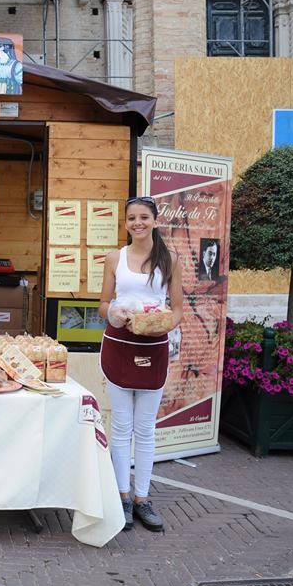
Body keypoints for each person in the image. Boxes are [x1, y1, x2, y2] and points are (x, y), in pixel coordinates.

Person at [98, 196, 183, 533]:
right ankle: (121, 496)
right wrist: (114, 313)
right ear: (126, 223)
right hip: (119, 344)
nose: (137, 223)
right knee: (121, 426)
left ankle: (142, 499)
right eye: (131, 218)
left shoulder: (170, 259)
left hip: (154, 347)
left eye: (144, 217)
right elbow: (103, 303)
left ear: (155, 221)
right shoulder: (114, 257)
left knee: (145, 429)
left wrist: (163, 323)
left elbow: (176, 309)